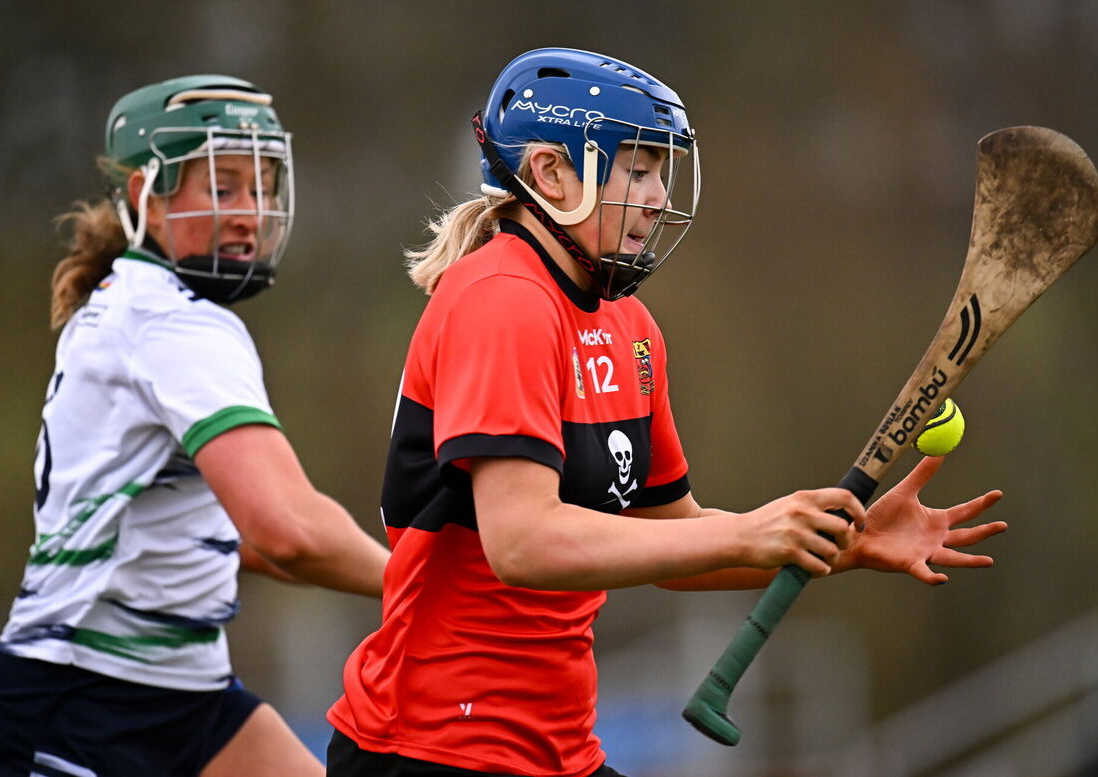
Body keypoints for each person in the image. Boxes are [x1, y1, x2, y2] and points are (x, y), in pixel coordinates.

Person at [325, 48, 1007, 777]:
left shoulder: (631, 330)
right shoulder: (503, 300)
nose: (656, 195)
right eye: (638, 168)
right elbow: (521, 541)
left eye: (660, 171)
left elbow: (670, 537)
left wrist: (844, 540)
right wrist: (750, 533)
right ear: (552, 175)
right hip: (431, 749)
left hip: (556, 752)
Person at [0, 75, 390, 777]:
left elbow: (242, 538)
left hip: (186, 698)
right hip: (77, 705)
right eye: (222, 185)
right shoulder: (173, 320)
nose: (250, 211)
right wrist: (422, 586)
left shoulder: (130, 301)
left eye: (260, 185)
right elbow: (288, 530)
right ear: (144, 199)